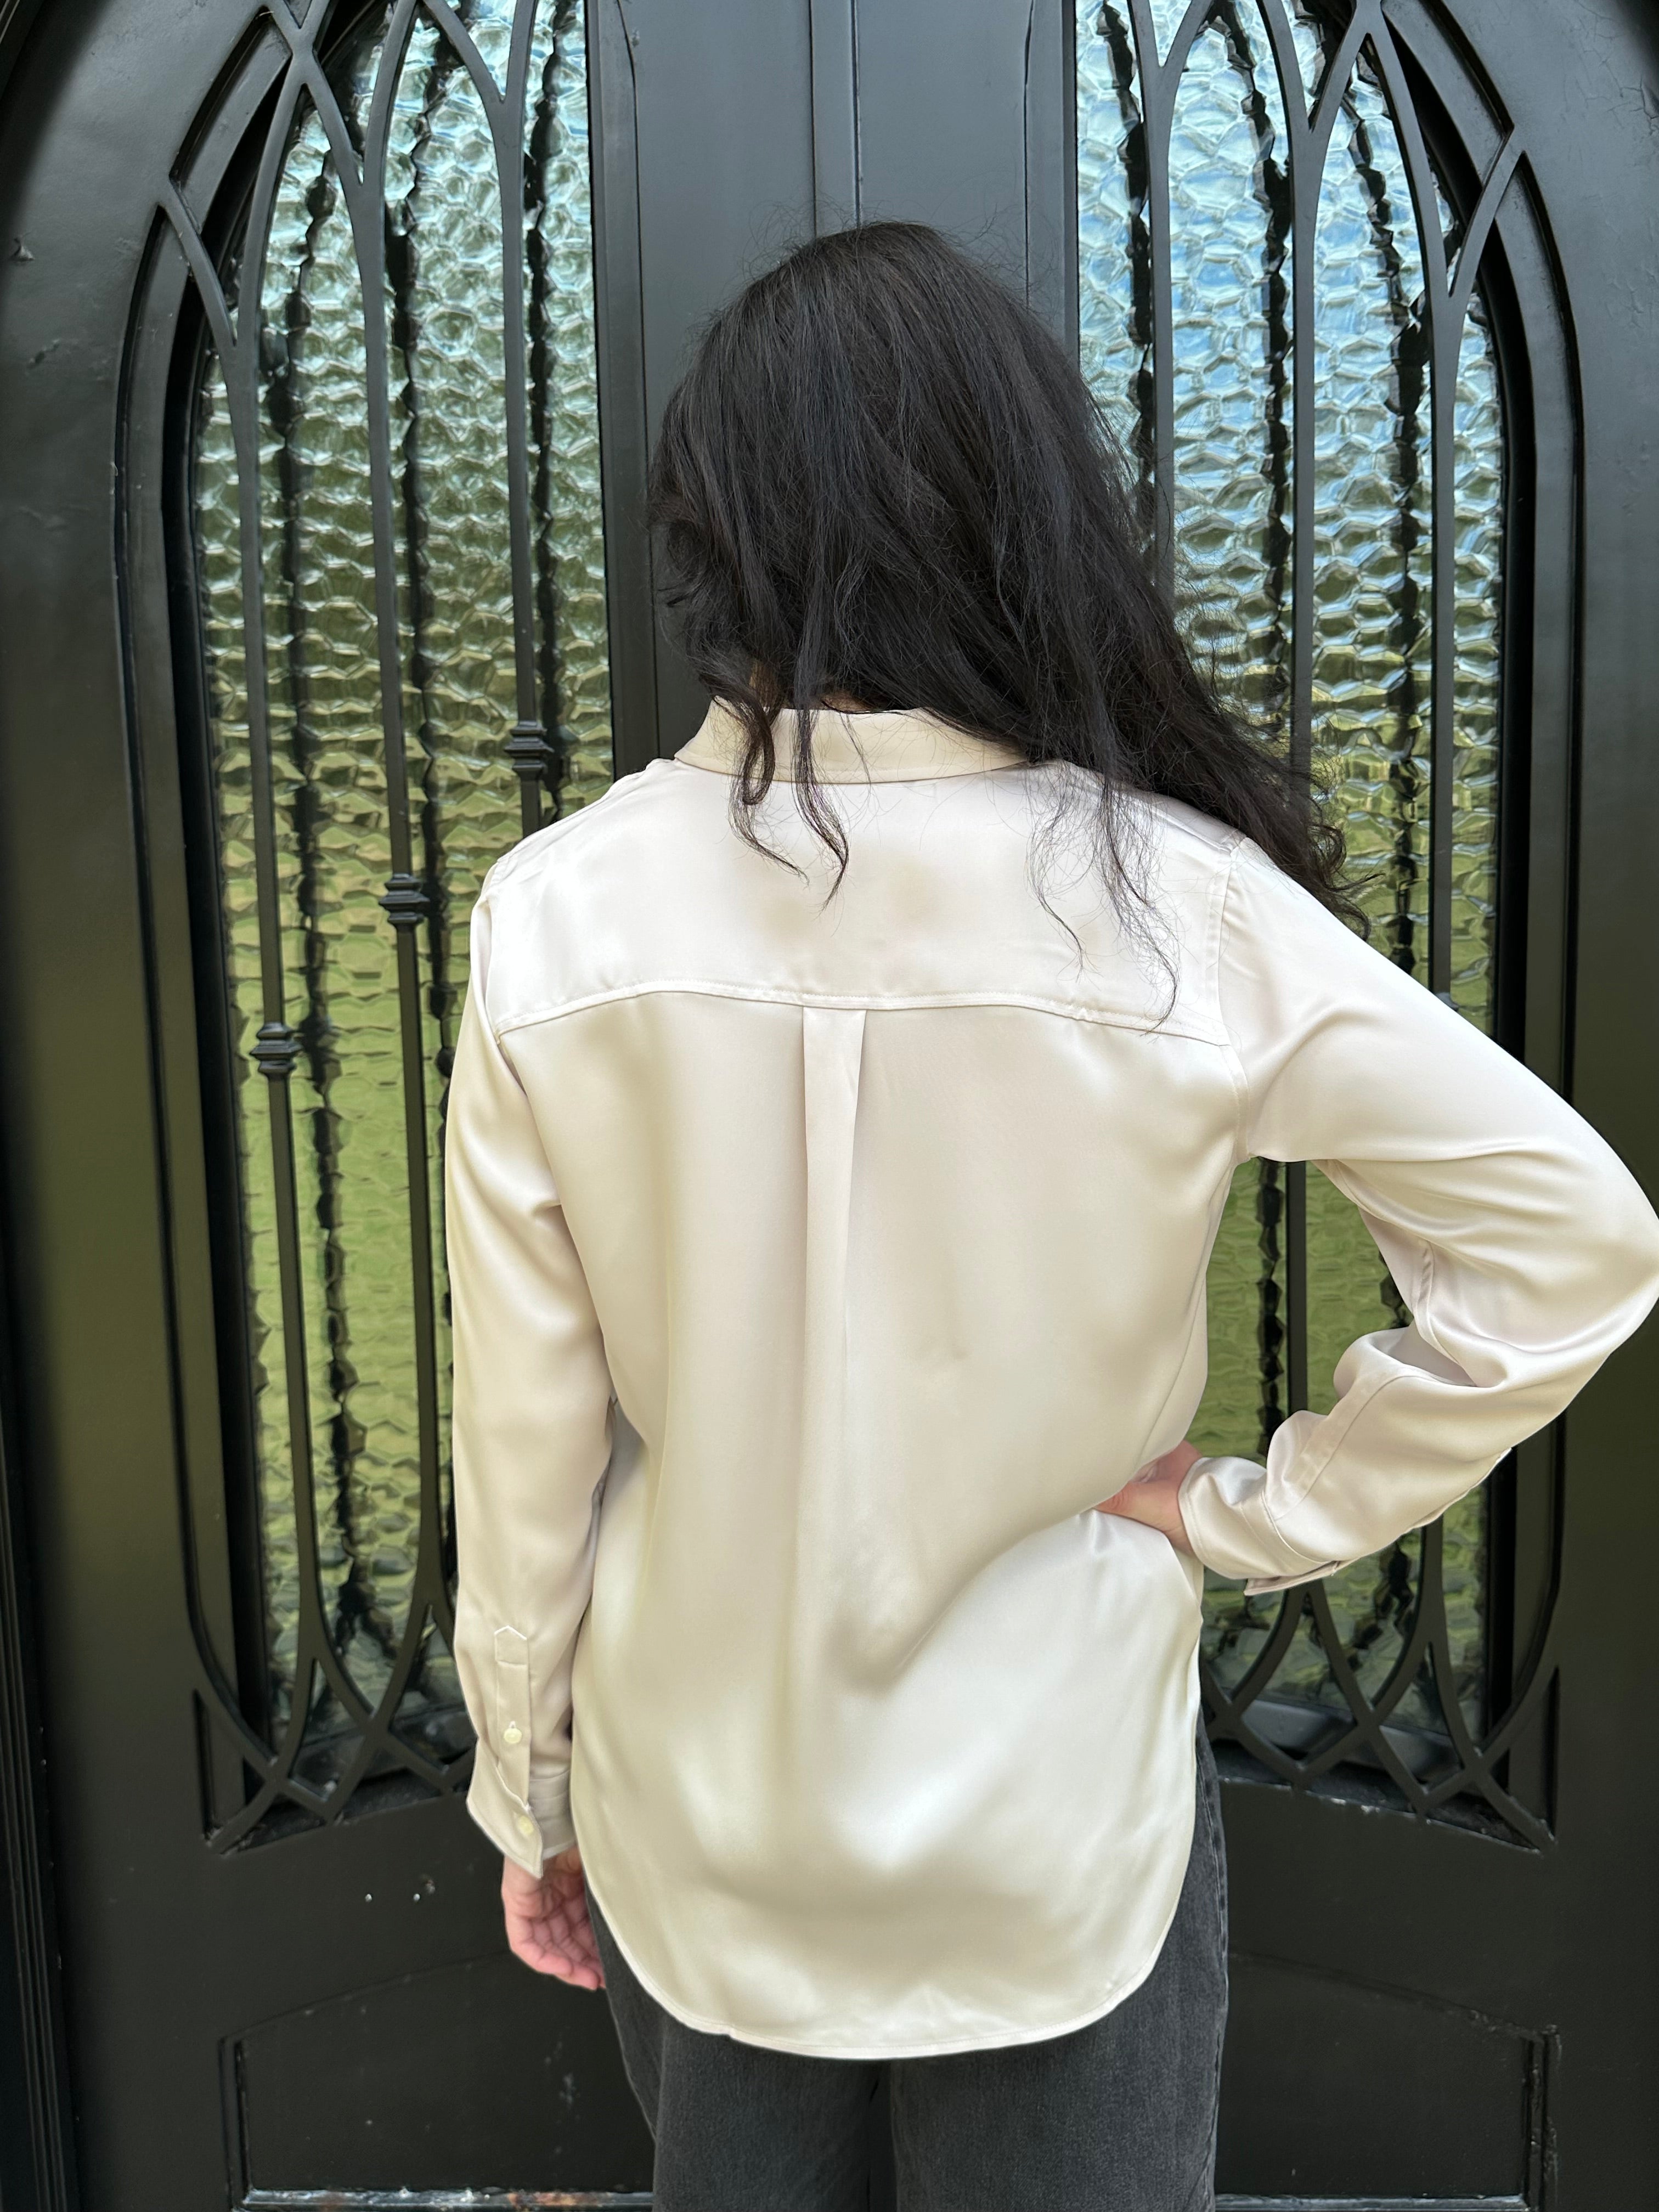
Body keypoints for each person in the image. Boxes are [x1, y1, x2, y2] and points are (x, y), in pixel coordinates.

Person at [443, 223, 1659, 2211]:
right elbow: (1574, 1245)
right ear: (1020, 512)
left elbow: (524, 1450)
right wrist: (1260, 1515)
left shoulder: (558, 920)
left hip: (704, 1825)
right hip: (1056, 1831)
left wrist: (530, 1789)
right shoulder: (1174, 907)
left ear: (715, 534)